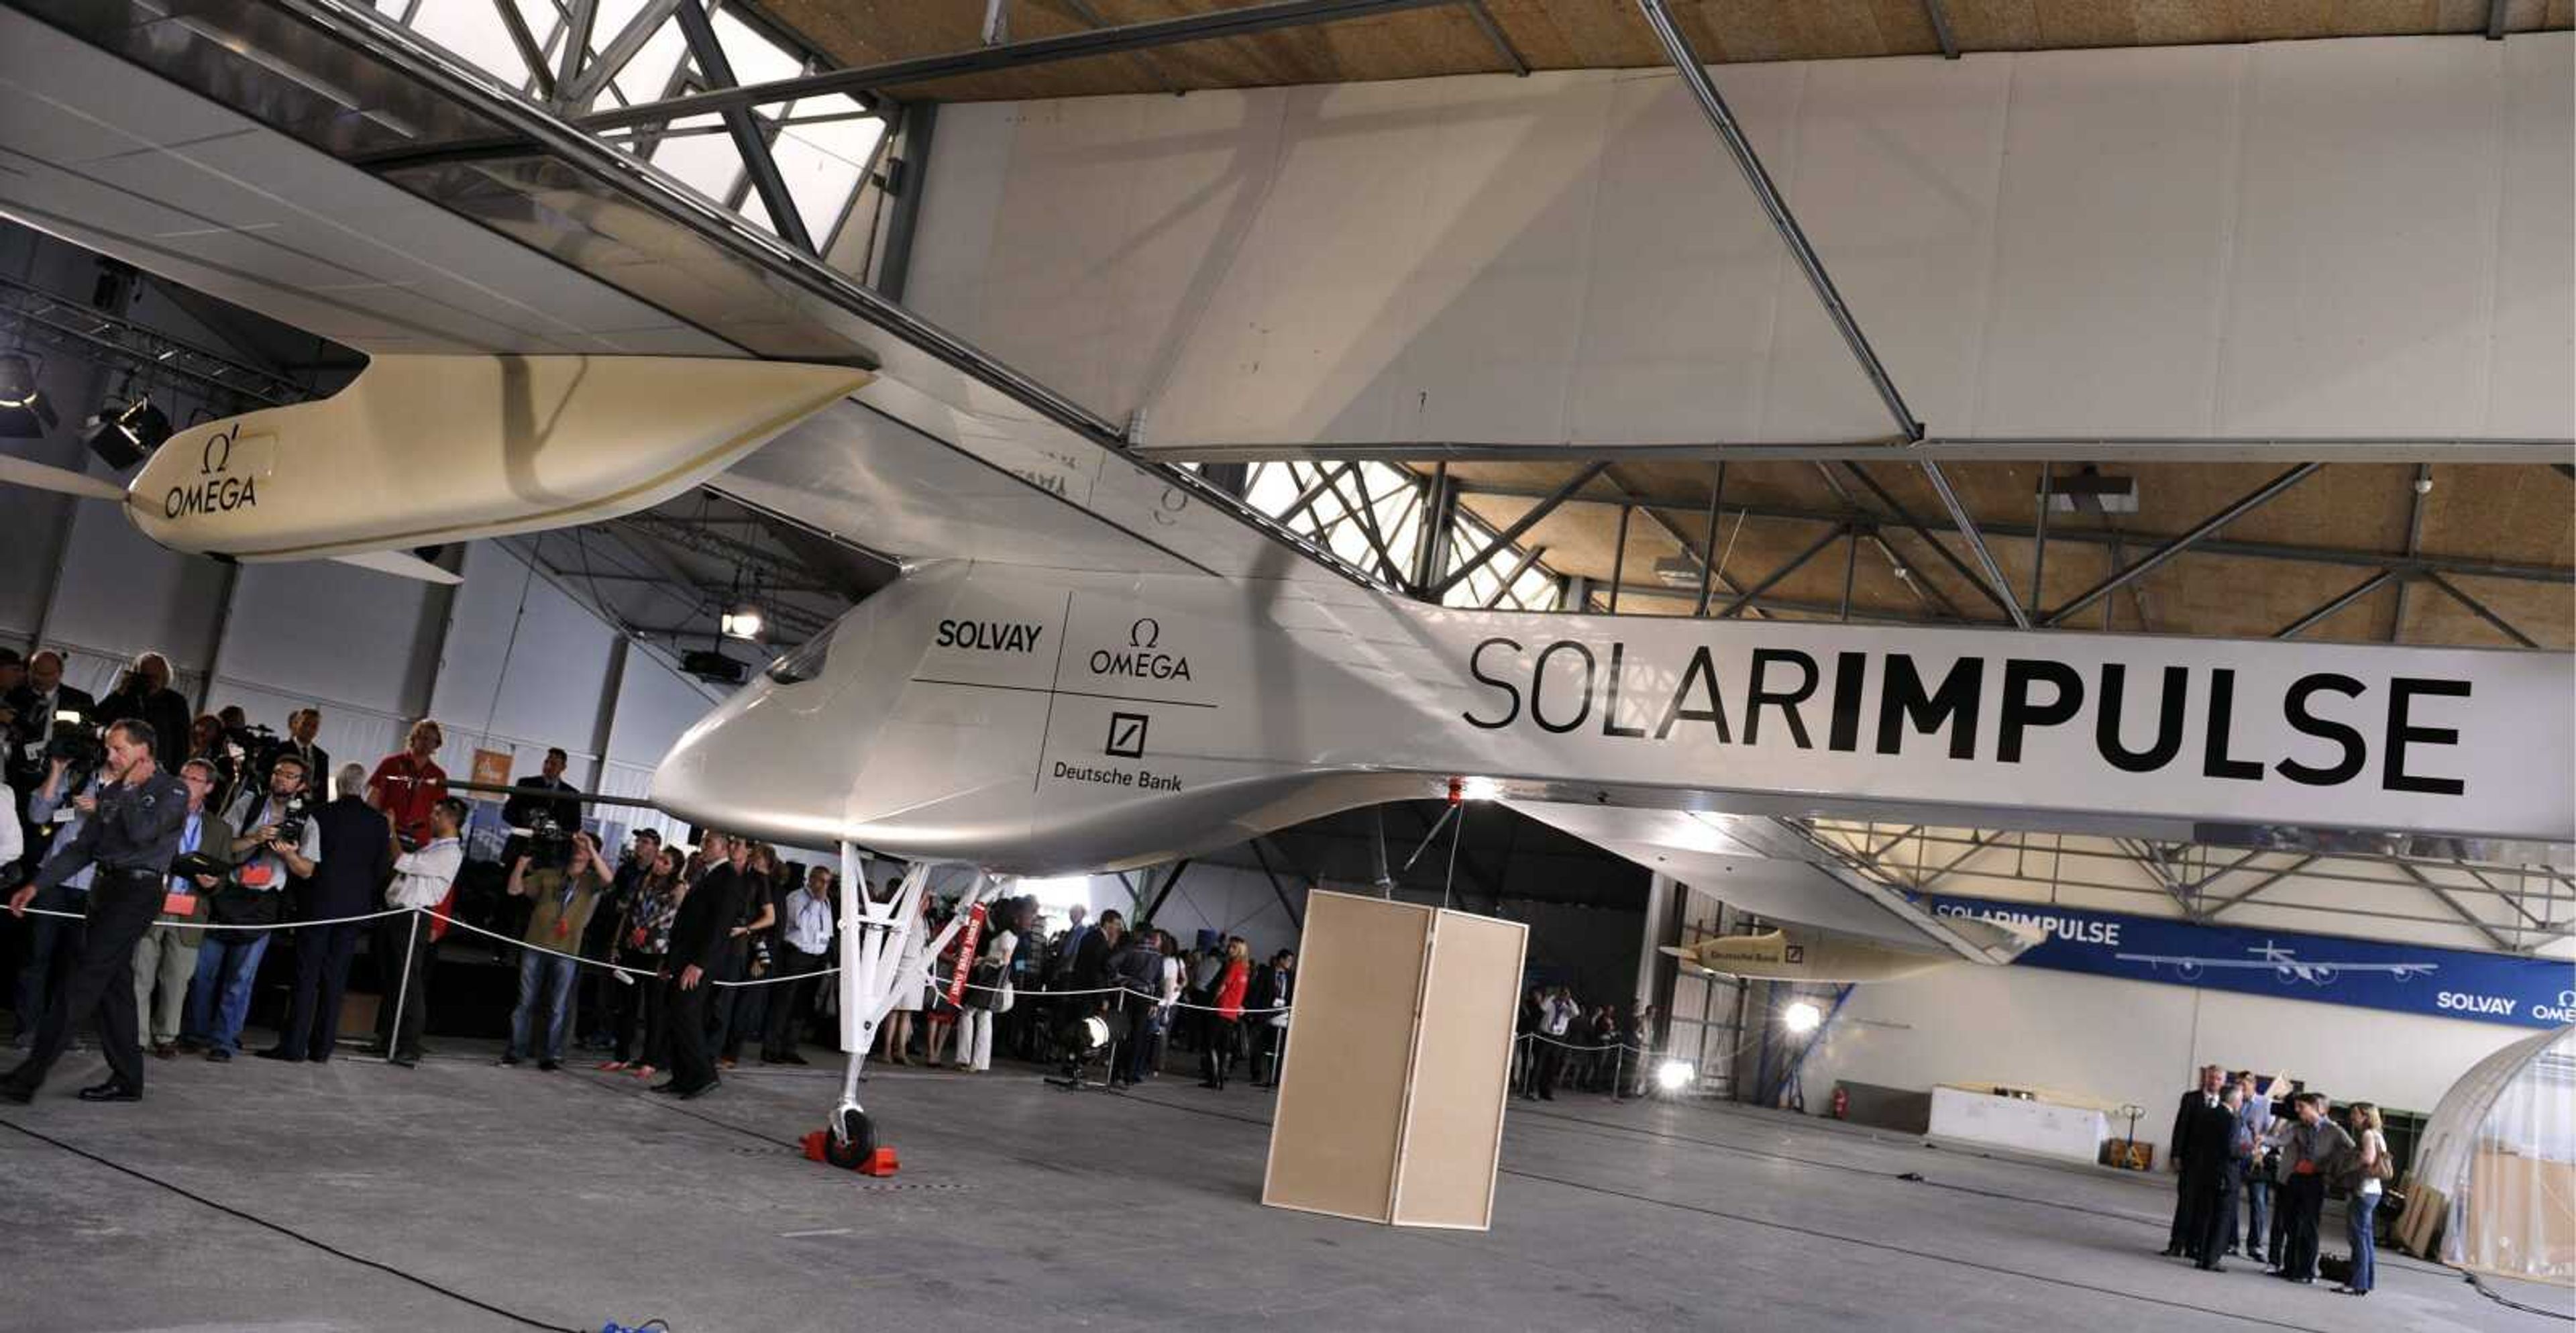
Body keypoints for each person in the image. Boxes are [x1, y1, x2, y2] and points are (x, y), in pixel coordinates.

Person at [1, 720, 189, 1104]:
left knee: (81, 980)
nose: (111, 756)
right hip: (104, 889)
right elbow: (82, 848)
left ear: (143, 752)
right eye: (109, 749)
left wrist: (129, 790)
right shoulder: (116, 789)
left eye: (119, 749)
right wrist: (37, 885)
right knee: (114, 988)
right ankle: (128, 1079)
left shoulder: (173, 789)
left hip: (138, 892)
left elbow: (140, 833)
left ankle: (28, 1078)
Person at [189, 752, 321, 1061]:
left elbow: (307, 870)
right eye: (278, 773)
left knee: (240, 980)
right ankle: (194, 1033)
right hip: (229, 894)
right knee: (203, 973)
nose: (282, 780)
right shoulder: (248, 804)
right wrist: (254, 838)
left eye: (290, 776)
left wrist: (287, 854)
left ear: (301, 785)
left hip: (263, 902)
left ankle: (224, 1041)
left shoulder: (306, 820)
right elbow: (222, 847)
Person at [262, 765, 392, 1063]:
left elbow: (306, 859)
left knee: (306, 976)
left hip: (318, 905)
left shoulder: (319, 813)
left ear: (339, 786)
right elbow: (381, 869)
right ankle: (322, 1048)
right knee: (336, 979)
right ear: (361, 788)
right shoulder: (378, 822)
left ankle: (293, 1046)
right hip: (354, 910)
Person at [130, 759, 230, 1058]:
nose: (185, 782)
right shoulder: (158, 813)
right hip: (153, 903)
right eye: (183, 775)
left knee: (177, 979)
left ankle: (166, 1037)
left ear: (209, 787)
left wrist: (211, 883)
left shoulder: (220, 829)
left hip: (191, 910)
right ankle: (136, 1037)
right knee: (140, 973)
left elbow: (223, 879)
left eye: (195, 779)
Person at [14, 751, 104, 1049]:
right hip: (53, 878)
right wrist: (56, 770)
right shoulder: (79, 775)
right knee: (37, 954)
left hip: (96, 882)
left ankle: (63, 1030)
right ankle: (27, 1027)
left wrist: (101, 810)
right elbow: (40, 816)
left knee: (76, 962)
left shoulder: (133, 787)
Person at [502, 829, 610, 1071]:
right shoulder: (549, 874)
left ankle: (551, 1055)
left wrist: (591, 847)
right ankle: (515, 1051)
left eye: (586, 847)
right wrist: (521, 863)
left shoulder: (591, 881)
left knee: (558, 1005)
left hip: (567, 950)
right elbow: (514, 890)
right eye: (578, 845)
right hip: (535, 944)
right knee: (525, 1002)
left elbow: (609, 879)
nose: (579, 848)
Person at [373, 798, 466, 1067]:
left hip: (414, 917)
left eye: (437, 814)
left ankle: (409, 1045)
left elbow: (402, 861)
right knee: (392, 979)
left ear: (451, 819)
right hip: (397, 914)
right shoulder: (433, 847)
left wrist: (391, 830)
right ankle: (388, 1038)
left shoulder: (449, 853)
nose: (431, 817)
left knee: (408, 982)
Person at [657, 831, 749, 1099]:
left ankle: (703, 1076)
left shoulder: (728, 878)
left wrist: (699, 964)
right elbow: (688, 921)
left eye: (709, 842)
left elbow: (719, 928)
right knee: (677, 1014)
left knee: (687, 1016)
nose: (703, 846)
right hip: (683, 958)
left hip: (698, 963)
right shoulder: (707, 874)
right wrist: (671, 961)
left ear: (724, 848)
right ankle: (682, 1076)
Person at [712, 843, 780, 1069]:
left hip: (752, 953)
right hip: (735, 947)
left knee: (740, 1007)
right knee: (725, 1001)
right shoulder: (738, 877)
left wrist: (761, 957)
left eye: (759, 856)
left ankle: (728, 1054)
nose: (755, 859)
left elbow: (772, 927)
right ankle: (716, 1049)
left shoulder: (769, 886)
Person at [2277, 1091, 2355, 1285]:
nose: (2298, 1111)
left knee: (2308, 1226)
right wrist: (2262, 1138)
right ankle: (2290, 1267)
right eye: (2297, 1107)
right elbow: (2280, 1141)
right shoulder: (2298, 1127)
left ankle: (2306, 1271)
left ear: (2316, 1108)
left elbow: (2352, 1151)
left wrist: (2326, 1168)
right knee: (2291, 1223)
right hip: (2296, 1179)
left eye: (2301, 1107)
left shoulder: (2334, 1131)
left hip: (2315, 1180)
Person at [762, 864, 836, 1065]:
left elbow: (827, 931)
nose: (824, 886)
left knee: (802, 1006)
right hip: (795, 955)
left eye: (828, 882)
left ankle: (789, 1048)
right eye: (821, 880)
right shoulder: (797, 898)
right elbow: (799, 923)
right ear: (811, 879)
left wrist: (826, 957)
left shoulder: (827, 902)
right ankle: (771, 1048)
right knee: (783, 1003)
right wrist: (815, 902)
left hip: (816, 958)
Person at [954, 896, 1026, 1073]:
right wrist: (984, 914)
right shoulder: (1009, 933)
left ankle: (966, 1058)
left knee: (969, 1013)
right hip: (993, 979)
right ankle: (978, 1062)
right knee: (984, 1017)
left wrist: (983, 959)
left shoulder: (1007, 935)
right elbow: (994, 931)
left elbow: (1005, 959)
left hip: (991, 978)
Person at [2162, 1065, 2228, 1257]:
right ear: (2205, 1078)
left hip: (2213, 1165)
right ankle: (2177, 1244)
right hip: (2191, 1161)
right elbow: (2181, 1127)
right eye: (2211, 1077)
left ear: (2223, 1082)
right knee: (2186, 1203)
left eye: (2217, 1079)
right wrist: (2176, 1155)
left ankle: (2195, 1246)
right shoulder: (2191, 1098)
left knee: (2205, 1207)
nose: (2213, 1081)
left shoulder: (2225, 1103)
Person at [2183, 1082, 2249, 1271]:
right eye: (2241, 1099)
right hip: (2226, 1175)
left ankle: (2200, 1254)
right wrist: (2248, 1153)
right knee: (2222, 1218)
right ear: (2236, 1101)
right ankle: (2212, 1259)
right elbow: (2231, 1149)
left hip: (2206, 1171)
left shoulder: (2208, 1114)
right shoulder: (2233, 1119)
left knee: (2205, 1215)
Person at [93, 651, 191, 770]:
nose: (151, 681)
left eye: (156, 677)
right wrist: (121, 691)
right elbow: (97, 718)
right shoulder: (125, 696)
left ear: (165, 677)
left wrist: (175, 774)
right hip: (122, 765)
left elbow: (182, 742)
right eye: (146, 676)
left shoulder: (176, 702)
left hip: (157, 767)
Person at [2336, 1102, 2389, 1297]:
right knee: (2365, 1239)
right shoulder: (2378, 1134)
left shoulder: (2367, 1135)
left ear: (2365, 1116)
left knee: (2358, 1238)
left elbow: (2368, 1159)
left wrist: (2349, 1166)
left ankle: (2357, 1283)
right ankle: (2365, 1282)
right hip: (2374, 1191)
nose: (2352, 1118)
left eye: (2355, 1114)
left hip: (2364, 1190)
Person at [878, 881, 928, 1065]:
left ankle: (901, 1050)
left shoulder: (923, 920)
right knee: (894, 1010)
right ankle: (887, 1050)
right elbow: (917, 907)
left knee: (907, 1012)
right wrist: (923, 894)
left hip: (916, 969)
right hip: (902, 966)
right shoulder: (910, 915)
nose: (927, 903)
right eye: (924, 899)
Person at [1197, 938, 1252, 1090]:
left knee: (1209, 1044)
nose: (1229, 949)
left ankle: (1214, 1078)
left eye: (1233, 947)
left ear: (1239, 950)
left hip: (1221, 1009)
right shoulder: (1245, 969)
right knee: (1223, 1046)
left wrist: (1212, 1004)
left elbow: (1222, 987)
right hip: (1232, 1012)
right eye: (1229, 946)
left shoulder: (1233, 966)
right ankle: (1221, 1079)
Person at [1249, 949, 1294, 1087]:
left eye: (1291, 961)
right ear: (1280, 960)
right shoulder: (1266, 973)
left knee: (1278, 1046)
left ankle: (1275, 1077)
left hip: (1282, 1015)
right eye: (1288, 960)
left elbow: (1291, 994)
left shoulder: (1291, 976)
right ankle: (1257, 1074)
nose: (1290, 963)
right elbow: (1257, 992)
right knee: (1258, 1045)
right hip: (1264, 1013)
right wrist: (1254, 1012)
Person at [1529, 985, 1579, 1102]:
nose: (1563, 996)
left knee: (1552, 1067)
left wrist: (1569, 1000)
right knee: (1539, 1065)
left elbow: (1576, 1013)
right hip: (1546, 1036)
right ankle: (1532, 1090)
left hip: (1558, 1039)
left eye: (1565, 994)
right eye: (1562, 994)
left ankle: (1546, 1091)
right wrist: (1553, 995)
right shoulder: (1550, 1004)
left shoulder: (1567, 1008)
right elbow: (1542, 1007)